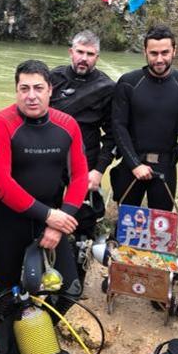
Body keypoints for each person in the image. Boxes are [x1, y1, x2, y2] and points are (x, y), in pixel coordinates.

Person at [0, 59, 88, 354]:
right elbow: (0, 184)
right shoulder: (0, 123)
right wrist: (49, 216)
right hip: (8, 223)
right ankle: (7, 352)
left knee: (69, 288)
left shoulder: (66, 125)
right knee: (7, 292)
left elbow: (80, 176)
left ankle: (36, 333)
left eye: (38, 88)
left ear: (50, 90)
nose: (31, 95)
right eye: (24, 88)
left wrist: (59, 220)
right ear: (15, 91)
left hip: (52, 220)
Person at [111, 24, 178, 211]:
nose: (159, 59)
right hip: (132, 164)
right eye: (153, 53)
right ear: (145, 51)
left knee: (161, 231)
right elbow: (118, 126)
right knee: (126, 229)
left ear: (174, 51)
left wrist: (175, 127)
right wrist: (135, 164)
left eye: (165, 52)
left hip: (166, 166)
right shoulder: (129, 83)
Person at [50, 30, 115, 283]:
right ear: (71, 52)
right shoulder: (52, 78)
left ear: (97, 57)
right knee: (46, 211)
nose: (83, 58)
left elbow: (112, 135)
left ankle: (76, 277)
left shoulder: (107, 87)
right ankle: (43, 267)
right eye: (80, 52)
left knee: (82, 221)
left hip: (84, 162)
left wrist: (99, 170)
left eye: (90, 54)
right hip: (50, 156)